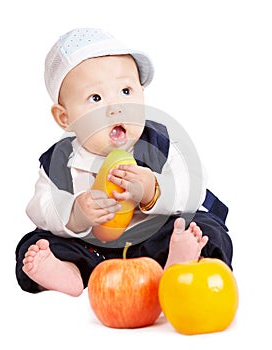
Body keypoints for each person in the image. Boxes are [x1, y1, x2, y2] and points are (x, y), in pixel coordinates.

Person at [15, 28, 233, 297]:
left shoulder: (159, 143)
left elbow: (192, 182)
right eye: (96, 98)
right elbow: (40, 204)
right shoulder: (60, 160)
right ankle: (67, 271)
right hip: (93, 248)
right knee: (35, 243)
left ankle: (178, 265)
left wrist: (152, 189)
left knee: (204, 229)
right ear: (65, 118)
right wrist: (75, 212)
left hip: (155, 236)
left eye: (126, 90)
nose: (116, 107)